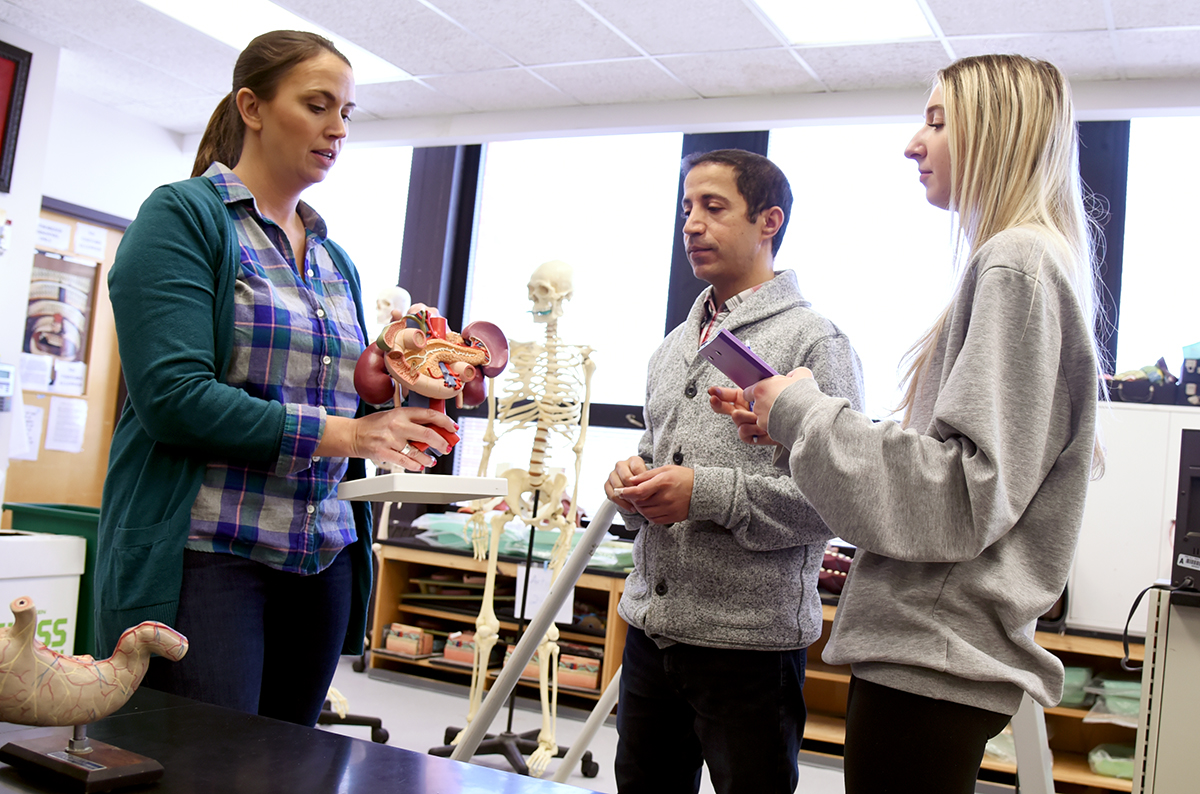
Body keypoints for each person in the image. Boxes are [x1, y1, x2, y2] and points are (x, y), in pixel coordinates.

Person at [720, 55, 1104, 793]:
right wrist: (790, 425)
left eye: (936, 121)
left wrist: (805, 411)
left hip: (934, 652)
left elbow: (959, 496)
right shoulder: (1026, 262)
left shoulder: (1015, 263)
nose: (912, 144)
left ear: (996, 130)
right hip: (935, 648)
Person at [95, 30, 456, 727]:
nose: (336, 128)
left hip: (318, 559)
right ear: (252, 107)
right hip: (208, 555)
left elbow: (349, 395)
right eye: (318, 104)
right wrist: (348, 431)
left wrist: (417, 367)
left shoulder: (332, 259)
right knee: (202, 771)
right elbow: (174, 400)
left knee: (286, 768)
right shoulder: (183, 219)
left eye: (347, 112)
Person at [604, 149, 865, 794]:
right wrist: (631, 484)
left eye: (713, 207)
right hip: (651, 633)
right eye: (686, 208)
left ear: (769, 220)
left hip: (750, 649)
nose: (691, 224)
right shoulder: (672, 348)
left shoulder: (816, 343)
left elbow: (837, 500)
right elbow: (660, 453)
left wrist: (705, 494)